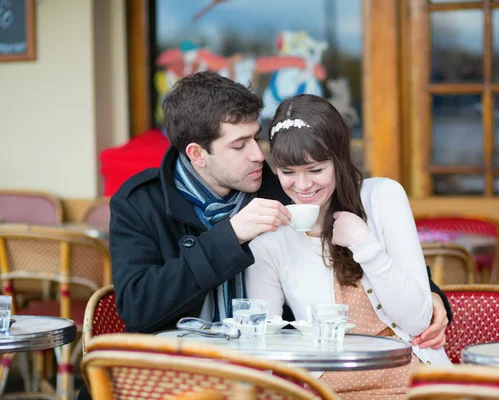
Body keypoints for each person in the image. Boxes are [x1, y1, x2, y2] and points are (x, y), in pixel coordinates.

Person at [78, 71, 450, 398]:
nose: (259, 155)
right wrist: (229, 236)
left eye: (256, 137)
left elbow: (369, 240)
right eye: (239, 146)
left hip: (263, 372)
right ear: (197, 154)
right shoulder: (141, 203)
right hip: (173, 370)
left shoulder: (278, 185)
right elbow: (138, 306)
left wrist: (433, 297)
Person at [245, 94, 452, 399]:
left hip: (414, 382)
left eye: (315, 170)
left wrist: (364, 244)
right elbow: (264, 346)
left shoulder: (382, 197)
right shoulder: (269, 241)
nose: (302, 187)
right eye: (288, 173)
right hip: (327, 391)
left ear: (339, 161)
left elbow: (417, 320)